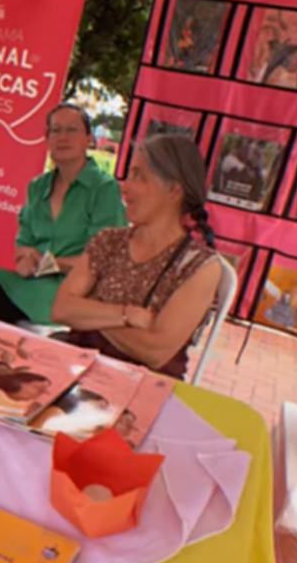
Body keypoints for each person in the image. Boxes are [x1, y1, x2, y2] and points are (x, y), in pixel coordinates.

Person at [49, 134, 222, 379]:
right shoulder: (109, 241)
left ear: (173, 189)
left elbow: (155, 352)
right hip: (77, 370)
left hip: (141, 389)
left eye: (138, 175)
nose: (125, 186)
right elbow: (61, 308)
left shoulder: (199, 266)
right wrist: (126, 315)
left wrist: (91, 306)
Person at [0, 104, 128, 325]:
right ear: (47, 139)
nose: (63, 137)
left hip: (76, 292)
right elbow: (24, 241)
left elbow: (105, 259)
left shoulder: (104, 189)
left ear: (89, 139)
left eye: (72, 130)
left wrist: (55, 263)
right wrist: (25, 259)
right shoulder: (37, 187)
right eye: (56, 131)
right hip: (34, 283)